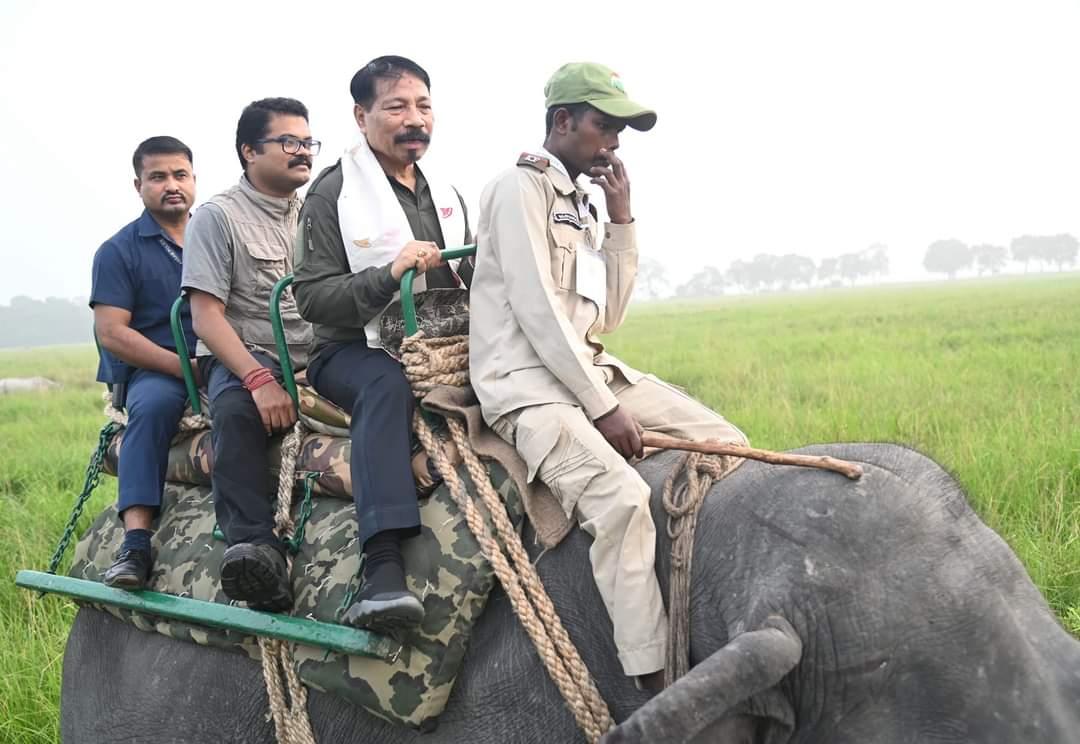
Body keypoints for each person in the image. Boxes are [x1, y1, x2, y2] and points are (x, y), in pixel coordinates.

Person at [468, 63, 749, 689]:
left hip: (587, 368)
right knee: (621, 503)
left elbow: (608, 315)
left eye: (620, 128)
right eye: (604, 125)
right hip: (527, 385)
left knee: (727, 442)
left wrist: (622, 218)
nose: (614, 141)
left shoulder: (580, 201)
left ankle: (702, 606)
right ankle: (652, 680)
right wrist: (601, 407)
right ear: (562, 121)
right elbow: (538, 311)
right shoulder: (518, 190)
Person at [293, 56, 473, 631]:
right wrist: (388, 274)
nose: (413, 118)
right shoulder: (334, 194)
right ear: (361, 115)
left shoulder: (445, 192)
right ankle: (382, 566)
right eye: (396, 106)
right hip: (352, 350)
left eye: (423, 106)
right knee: (384, 385)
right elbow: (313, 300)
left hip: (439, 341)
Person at [181, 98, 315, 611]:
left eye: (307, 142)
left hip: (316, 350)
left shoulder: (320, 213)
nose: (302, 152)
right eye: (289, 142)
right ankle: (254, 547)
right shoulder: (217, 217)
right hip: (247, 352)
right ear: (248, 151)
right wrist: (259, 380)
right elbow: (206, 317)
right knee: (235, 413)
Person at [90, 136, 198, 589]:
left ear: (194, 180)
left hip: (231, 354)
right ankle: (135, 543)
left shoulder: (217, 233)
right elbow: (112, 333)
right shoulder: (119, 250)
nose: (171, 185)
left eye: (180, 175)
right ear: (139, 185)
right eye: (158, 177)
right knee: (150, 409)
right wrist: (184, 369)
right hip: (161, 368)